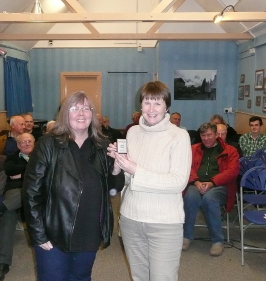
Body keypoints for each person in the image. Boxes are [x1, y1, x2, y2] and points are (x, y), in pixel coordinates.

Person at [23, 91, 125, 281]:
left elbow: (113, 189)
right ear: (64, 114)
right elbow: (31, 193)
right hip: (54, 231)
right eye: (74, 108)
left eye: (86, 108)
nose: (81, 113)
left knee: (81, 278)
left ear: (92, 115)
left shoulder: (102, 144)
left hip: (89, 231)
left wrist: (117, 168)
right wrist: (38, 233)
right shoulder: (48, 144)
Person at [107, 81, 191, 280]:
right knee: (139, 277)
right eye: (147, 103)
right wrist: (119, 165)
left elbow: (178, 182)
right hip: (131, 218)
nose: (151, 109)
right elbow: (128, 179)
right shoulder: (132, 133)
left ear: (167, 107)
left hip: (165, 223)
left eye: (157, 103)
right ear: (140, 105)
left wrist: (135, 169)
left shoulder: (179, 136)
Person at [0, 133, 35, 281]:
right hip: (14, 192)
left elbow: (46, 173)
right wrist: (30, 172)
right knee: (7, 218)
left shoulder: (40, 156)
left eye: (29, 141)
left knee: (28, 191)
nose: (27, 144)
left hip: (35, 194)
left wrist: (22, 173)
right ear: (18, 145)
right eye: (23, 142)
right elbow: (10, 170)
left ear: (34, 143)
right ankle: (2, 264)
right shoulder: (11, 157)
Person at [183, 123, 239, 256]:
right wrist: (196, 181)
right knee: (189, 197)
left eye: (209, 135)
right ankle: (186, 236)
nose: (206, 138)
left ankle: (217, 240)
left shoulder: (230, 150)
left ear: (216, 135)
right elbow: (185, 166)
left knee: (210, 199)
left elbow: (232, 171)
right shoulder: (193, 149)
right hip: (196, 183)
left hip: (220, 186)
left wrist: (212, 182)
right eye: (203, 135)